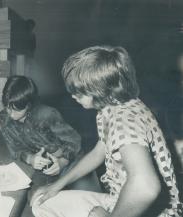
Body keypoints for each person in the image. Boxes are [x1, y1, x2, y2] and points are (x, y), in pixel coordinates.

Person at [31, 46, 182, 217]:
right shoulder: (114, 106)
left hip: (153, 212)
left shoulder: (123, 124)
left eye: (78, 92)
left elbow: (146, 187)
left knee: (42, 207)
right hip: (121, 199)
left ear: (99, 90)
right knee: (44, 200)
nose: (73, 96)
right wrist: (56, 185)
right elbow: (99, 152)